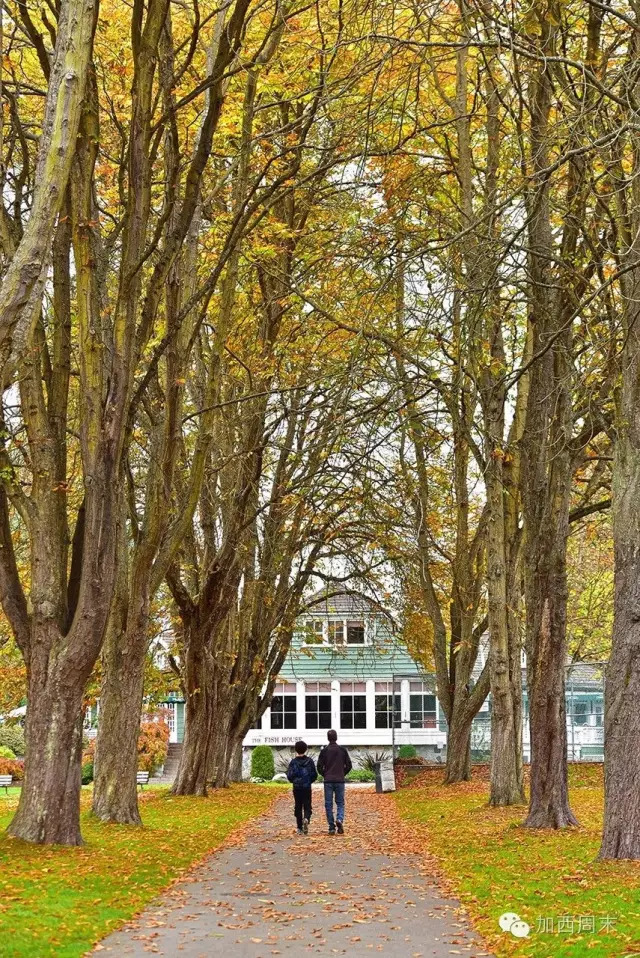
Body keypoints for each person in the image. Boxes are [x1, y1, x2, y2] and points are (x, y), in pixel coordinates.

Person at [317, 729, 352, 834]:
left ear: (328, 738)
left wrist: (325, 774)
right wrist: (342, 773)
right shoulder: (342, 750)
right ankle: (340, 819)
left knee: (328, 804)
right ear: (336, 737)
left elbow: (319, 766)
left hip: (328, 780)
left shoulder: (324, 751)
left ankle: (331, 827)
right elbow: (349, 765)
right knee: (340, 803)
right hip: (340, 780)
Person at [287, 740, 318, 834]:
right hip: (306, 787)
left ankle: (299, 827)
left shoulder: (293, 762)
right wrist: (309, 781)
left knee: (298, 806)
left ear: (296, 750)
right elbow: (314, 774)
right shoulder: (310, 761)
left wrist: (294, 781)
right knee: (307, 805)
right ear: (305, 749)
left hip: (297, 788)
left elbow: (290, 775)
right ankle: (306, 818)